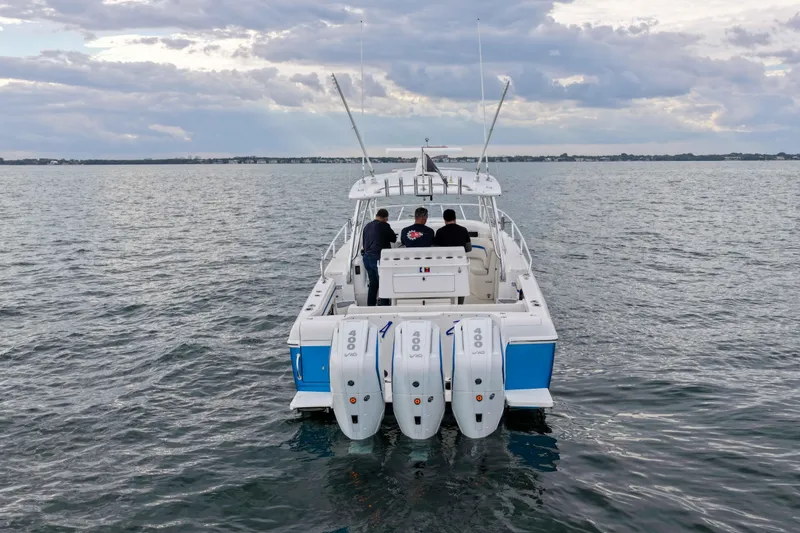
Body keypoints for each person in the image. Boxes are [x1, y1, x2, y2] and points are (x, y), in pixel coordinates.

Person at [435, 209, 472, 304]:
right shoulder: (463, 230)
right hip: (460, 265)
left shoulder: (439, 232)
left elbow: (436, 250)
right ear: (455, 218)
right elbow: (468, 248)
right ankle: (459, 303)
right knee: (460, 281)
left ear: (444, 219)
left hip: (444, 266)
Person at [361, 208, 396, 306]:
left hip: (366, 258)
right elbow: (393, 238)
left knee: (373, 284)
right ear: (385, 218)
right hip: (377, 259)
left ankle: (370, 305)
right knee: (383, 283)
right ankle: (384, 306)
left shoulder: (367, 226)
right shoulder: (384, 225)